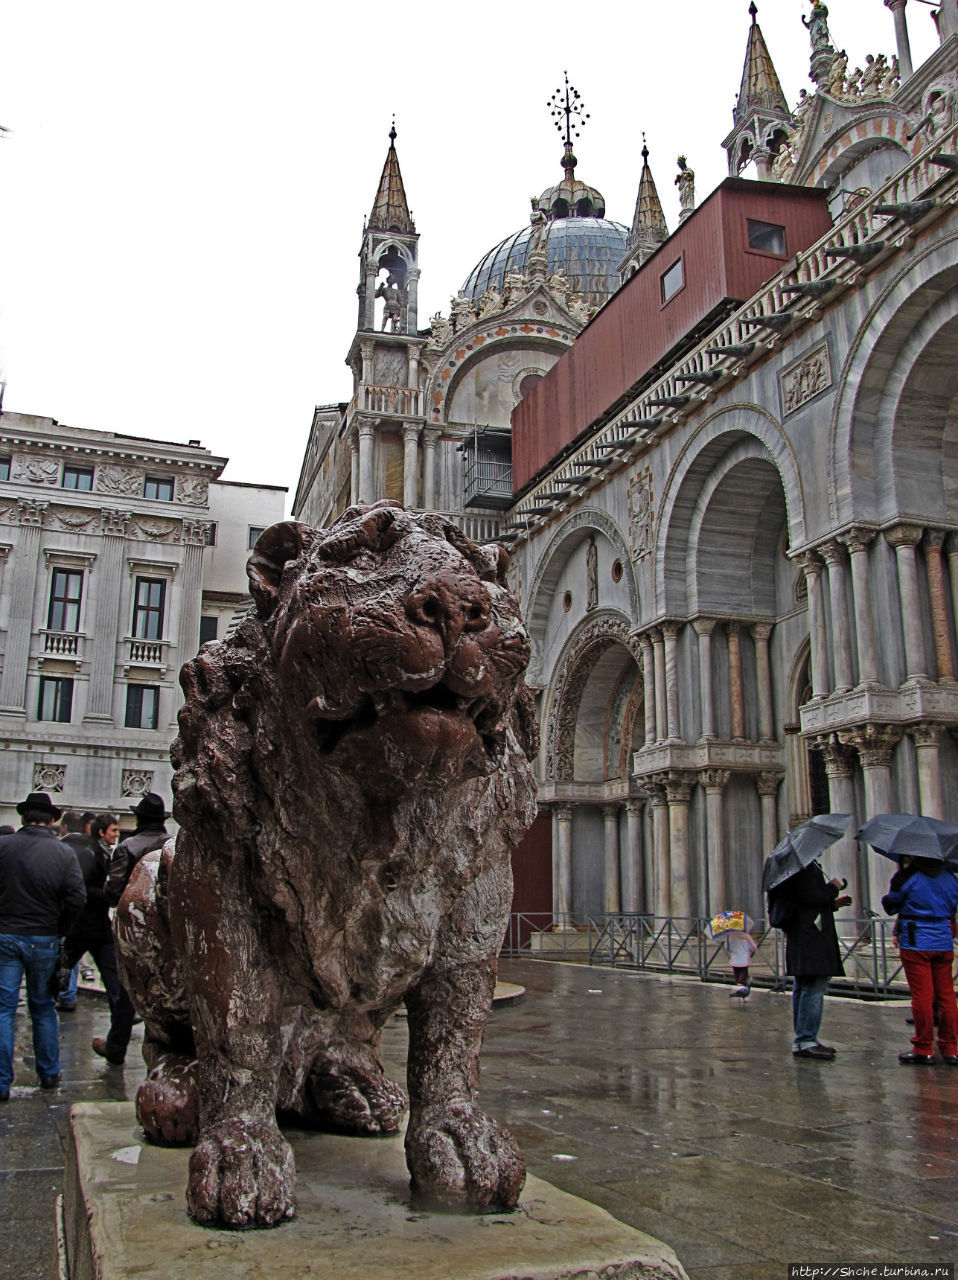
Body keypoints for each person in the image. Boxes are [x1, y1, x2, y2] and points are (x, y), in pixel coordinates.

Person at [0, 792, 86, 1098]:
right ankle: (49, 1074)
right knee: (43, 1006)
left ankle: (1, 1081)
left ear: (23, 818)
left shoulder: (3, 846)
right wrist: (59, 928)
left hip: (6, 934)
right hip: (44, 937)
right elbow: (77, 898)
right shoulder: (63, 854)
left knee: (3, 1009)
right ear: (52, 820)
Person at [97, 794, 169, 1066]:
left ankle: (117, 1047)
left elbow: (114, 892)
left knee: (129, 991)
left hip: (136, 929)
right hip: (169, 931)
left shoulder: (128, 846)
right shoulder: (173, 845)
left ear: (139, 819)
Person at [64, 812, 138, 1069]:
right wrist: (108, 895)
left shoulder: (101, 851)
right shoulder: (93, 853)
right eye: (114, 830)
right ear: (101, 832)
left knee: (113, 980)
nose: (117, 835)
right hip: (89, 925)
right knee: (112, 981)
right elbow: (83, 889)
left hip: (88, 927)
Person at [882, 856, 958, 1065]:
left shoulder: (906, 877)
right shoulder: (950, 878)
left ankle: (924, 1048)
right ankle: (951, 1048)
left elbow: (892, 905)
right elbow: (953, 907)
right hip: (943, 940)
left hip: (916, 940)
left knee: (922, 996)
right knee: (946, 996)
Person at [779, 861, 851, 1060]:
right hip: (811, 937)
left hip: (802, 934)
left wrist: (833, 904)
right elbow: (808, 897)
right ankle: (807, 1039)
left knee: (803, 985)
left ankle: (803, 1039)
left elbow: (806, 904)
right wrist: (832, 888)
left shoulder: (792, 868)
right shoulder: (804, 868)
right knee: (813, 987)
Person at [57, 810, 98, 1011]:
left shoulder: (61, 848)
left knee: (66, 957)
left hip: (64, 913)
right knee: (72, 958)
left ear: (64, 827)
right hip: (87, 914)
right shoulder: (93, 849)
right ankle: (67, 994)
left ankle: (63, 993)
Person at [727, 926, 757, 998]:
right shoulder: (746, 936)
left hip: (735, 957)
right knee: (744, 973)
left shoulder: (731, 936)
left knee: (736, 973)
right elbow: (753, 947)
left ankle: (738, 986)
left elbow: (729, 948)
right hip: (744, 957)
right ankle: (741, 987)